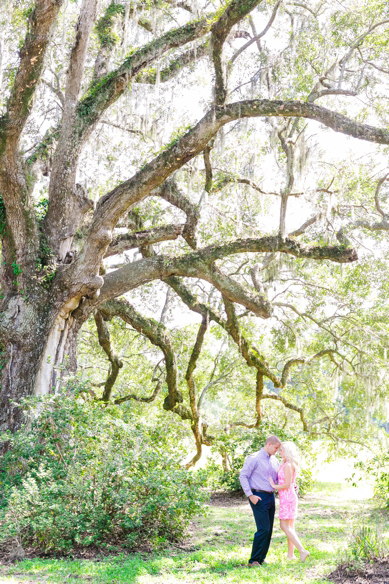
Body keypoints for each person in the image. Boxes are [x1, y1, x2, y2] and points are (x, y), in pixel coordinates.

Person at [239, 435, 281, 568]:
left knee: (269, 530)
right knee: (263, 529)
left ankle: (261, 558)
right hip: (257, 496)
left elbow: (277, 479)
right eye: (275, 448)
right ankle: (253, 560)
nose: (277, 451)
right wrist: (250, 495)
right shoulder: (254, 458)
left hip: (270, 497)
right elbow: (243, 476)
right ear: (269, 444)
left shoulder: (275, 460)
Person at [269, 441, 310, 562]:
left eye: (281, 450)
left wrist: (273, 485)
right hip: (287, 497)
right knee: (290, 527)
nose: (280, 452)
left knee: (284, 526)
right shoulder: (286, 463)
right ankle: (290, 555)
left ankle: (302, 550)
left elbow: (286, 484)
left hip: (287, 497)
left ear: (287, 451)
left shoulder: (288, 465)